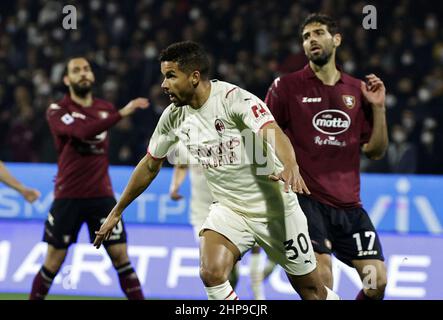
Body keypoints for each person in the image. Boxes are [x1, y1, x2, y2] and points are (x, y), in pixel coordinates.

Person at [94, 41, 340, 300]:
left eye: (170, 76)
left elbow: (271, 131)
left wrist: (290, 165)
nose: (164, 85)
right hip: (229, 209)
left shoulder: (233, 99)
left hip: (275, 210)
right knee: (211, 272)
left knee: (312, 292)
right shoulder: (173, 116)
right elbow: (150, 164)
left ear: (194, 77)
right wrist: (117, 211)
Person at [265, 13, 388, 300]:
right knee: (322, 279)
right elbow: (264, 133)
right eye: (306, 37)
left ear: (336, 39)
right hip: (307, 201)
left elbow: (376, 150)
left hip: (349, 207)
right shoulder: (286, 87)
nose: (311, 40)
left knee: (376, 281)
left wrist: (379, 108)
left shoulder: (357, 91)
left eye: (318, 33)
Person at [29, 57, 148, 300]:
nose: (83, 74)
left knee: (121, 258)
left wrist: (117, 115)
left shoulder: (104, 108)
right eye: (76, 70)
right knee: (53, 262)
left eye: (86, 69)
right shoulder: (57, 110)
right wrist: (122, 113)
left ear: (92, 76)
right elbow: (81, 133)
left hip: (102, 197)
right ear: (66, 79)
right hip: (68, 196)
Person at [168, 142, 269, 299]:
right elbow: (181, 166)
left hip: (231, 208)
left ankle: (258, 294)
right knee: (219, 270)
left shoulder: (229, 139)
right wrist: (175, 186)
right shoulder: (185, 141)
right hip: (202, 214)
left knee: (255, 249)